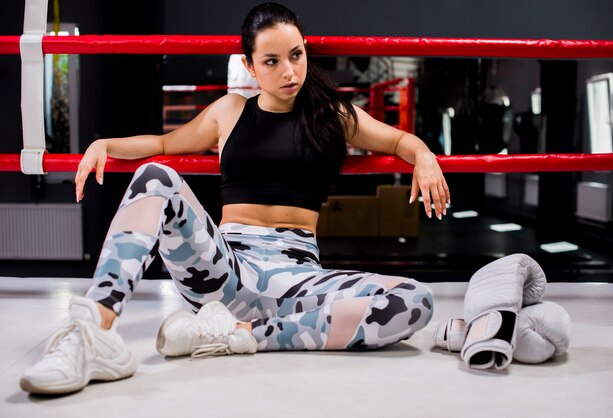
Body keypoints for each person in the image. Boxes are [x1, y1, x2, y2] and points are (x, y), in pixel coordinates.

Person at [20, 2, 450, 395]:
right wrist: (105, 144)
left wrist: (425, 157)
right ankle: (93, 330)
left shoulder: (332, 115)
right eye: (272, 61)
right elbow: (165, 144)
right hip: (224, 269)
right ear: (250, 66)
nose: (289, 72)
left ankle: (238, 335)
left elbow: (399, 140)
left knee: (415, 301)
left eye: (296, 55)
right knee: (156, 175)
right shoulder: (230, 110)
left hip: (296, 280)